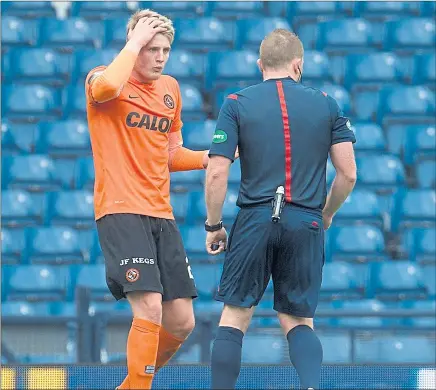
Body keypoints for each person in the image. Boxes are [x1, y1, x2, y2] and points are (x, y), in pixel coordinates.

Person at [204, 29, 357, 390]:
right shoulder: (327, 103)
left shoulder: (236, 102)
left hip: (255, 217)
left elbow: (216, 172)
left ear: (260, 65)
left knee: (236, 316)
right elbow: (348, 173)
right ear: (298, 64)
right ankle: (310, 386)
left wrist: (214, 225)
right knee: (298, 320)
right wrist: (326, 212)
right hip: (305, 218)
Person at [85, 9, 210, 390]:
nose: (159, 57)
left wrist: (210, 158)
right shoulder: (103, 78)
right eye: (151, 48)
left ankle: (131, 384)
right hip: (121, 209)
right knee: (150, 307)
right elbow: (105, 88)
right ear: (134, 45)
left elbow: (171, 154)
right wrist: (134, 41)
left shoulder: (170, 89)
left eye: (166, 50)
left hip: (161, 213)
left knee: (181, 322)